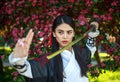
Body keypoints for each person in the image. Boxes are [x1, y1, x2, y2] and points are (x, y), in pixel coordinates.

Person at [9, 15, 99, 82]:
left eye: (69, 32)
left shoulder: (80, 53)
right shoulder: (49, 59)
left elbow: (89, 49)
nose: (65, 36)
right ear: (54, 34)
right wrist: (19, 59)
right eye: (60, 32)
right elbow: (28, 69)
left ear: (73, 33)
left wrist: (92, 33)